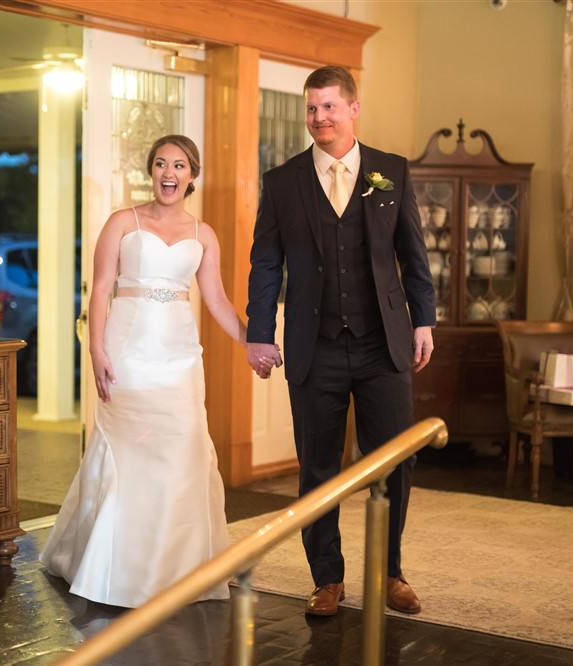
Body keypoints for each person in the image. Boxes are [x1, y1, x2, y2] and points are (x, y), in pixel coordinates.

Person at [246, 66, 435, 616]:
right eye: (311, 108)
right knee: (317, 467)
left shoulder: (391, 172)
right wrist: (259, 334)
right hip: (316, 344)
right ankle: (326, 578)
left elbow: (413, 254)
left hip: (383, 345)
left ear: (353, 109)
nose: (319, 117)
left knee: (394, 461)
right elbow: (266, 264)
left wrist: (424, 320)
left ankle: (390, 572)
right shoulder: (282, 182)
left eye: (329, 106)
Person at [40, 134, 255, 608]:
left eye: (178, 165)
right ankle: (114, 568)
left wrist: (252, 342)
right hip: (129, 354)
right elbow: (100, 289)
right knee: (130, 451)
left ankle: (176, 568)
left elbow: (217, 300)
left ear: (192, 175)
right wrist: (96, 350)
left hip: (180, 357)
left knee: (182, 450)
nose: (168, 173)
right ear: (151, 171)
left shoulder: (204, 234)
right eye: (160, 164)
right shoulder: (123, 222)